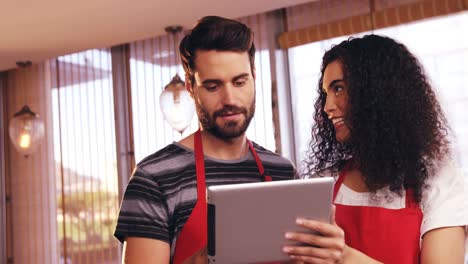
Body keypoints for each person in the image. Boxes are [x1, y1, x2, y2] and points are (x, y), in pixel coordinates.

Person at [114, 16, 297, 264]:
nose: (230, 98)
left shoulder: (283, 173)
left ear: (254, 76)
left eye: (240, 82)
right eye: (213, 86)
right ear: (190, 87)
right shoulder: (154, 178)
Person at [282, 35, 468, 263]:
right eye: (326, 93)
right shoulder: (323, 182)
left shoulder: (438, 181)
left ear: (377, 92)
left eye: (338, 88)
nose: (327, 107)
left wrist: (344, 256)